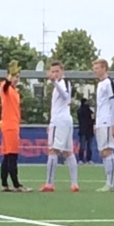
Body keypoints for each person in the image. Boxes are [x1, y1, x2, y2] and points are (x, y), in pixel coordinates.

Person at [40, 61, 79, 192]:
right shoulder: (61, 84)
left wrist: (54, 82)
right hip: (65, 120)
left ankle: (49, 183)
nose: (55, 74)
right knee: (68, 152)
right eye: (53, 71)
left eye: (57, 71)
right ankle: (74, 184)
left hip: (60, 121)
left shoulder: (63, 82)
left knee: (53, 150)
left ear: (62, 71)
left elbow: (65, 96)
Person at [0, 60, 31, 192]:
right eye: (14, 76)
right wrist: (9, 77)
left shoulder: (15, 91)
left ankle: (4, 183)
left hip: (11, 125)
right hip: (10, 127)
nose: (16, 79)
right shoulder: (5, 87)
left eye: (17, 77)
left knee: (7, 156)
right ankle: (16, 184)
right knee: (12, 156)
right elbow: (5, 86)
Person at [92, 59, 114, 192]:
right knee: (103, 152)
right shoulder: (100, 84)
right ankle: (109, 182)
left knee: (108, 150)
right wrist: (96, 123)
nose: (95, 70)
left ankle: (111, 183)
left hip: (107, 121)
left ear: (104, 68)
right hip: (100, 122)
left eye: (97, 68)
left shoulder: (109, 82)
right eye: (94, 68)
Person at [77, 98, 94, 164]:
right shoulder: (81, 111)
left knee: (88, 146)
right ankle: (82, 159)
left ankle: (87, 159)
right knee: (83, 146)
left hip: (88, 130)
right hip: (84, 130)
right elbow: (93, 119)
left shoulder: (89, 111)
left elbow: (93, 119)